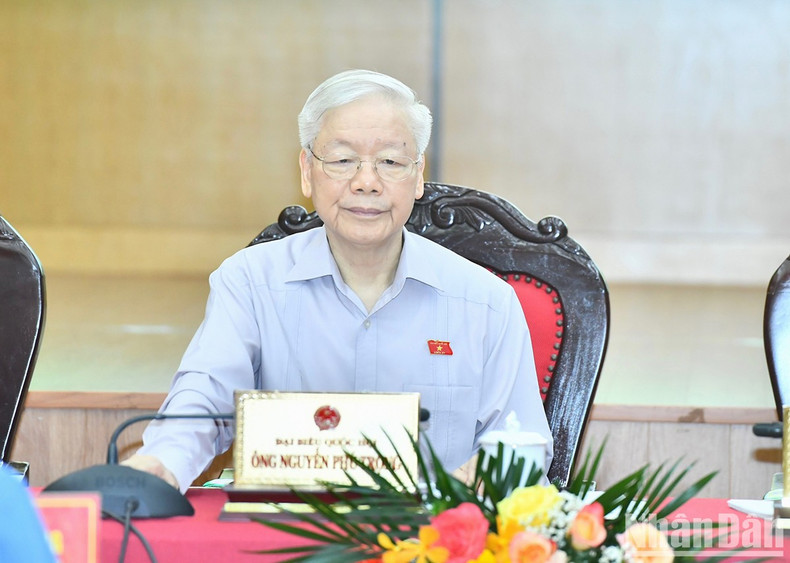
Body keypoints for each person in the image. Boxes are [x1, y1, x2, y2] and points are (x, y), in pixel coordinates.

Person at [124, 69, 552, 491]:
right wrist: (162, 463)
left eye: (390, 162)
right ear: (307, 171)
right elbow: (206, 399)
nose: (366, 182)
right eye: (343, 160)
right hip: (287, 541)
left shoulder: (484, 300)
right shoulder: (249, 283)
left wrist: (463, 489)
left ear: (419, 174)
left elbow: (522, 439)